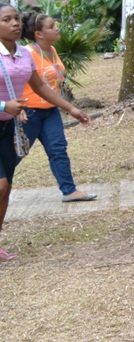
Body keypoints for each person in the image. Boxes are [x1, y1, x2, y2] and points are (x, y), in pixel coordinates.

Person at [0, 4, 91, 261]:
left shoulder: (23, 54)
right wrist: (3, 106)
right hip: (7, 115)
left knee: (6, 190)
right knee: (0, 185)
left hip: (10, 127)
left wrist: (70, 108)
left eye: (16, 18)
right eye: (6, 20)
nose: (15, 23)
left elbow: (40, 87)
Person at [19, 11, 96, 202]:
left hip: (51, 110)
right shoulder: (26, 54)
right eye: (51, 26)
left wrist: (69, 107)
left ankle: (69, 191)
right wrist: (18, 108)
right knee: (15, 154)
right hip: (29, 113)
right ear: (39, 34)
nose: (57, 28)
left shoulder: (51, 50)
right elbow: (14, 81)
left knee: (58, 149)